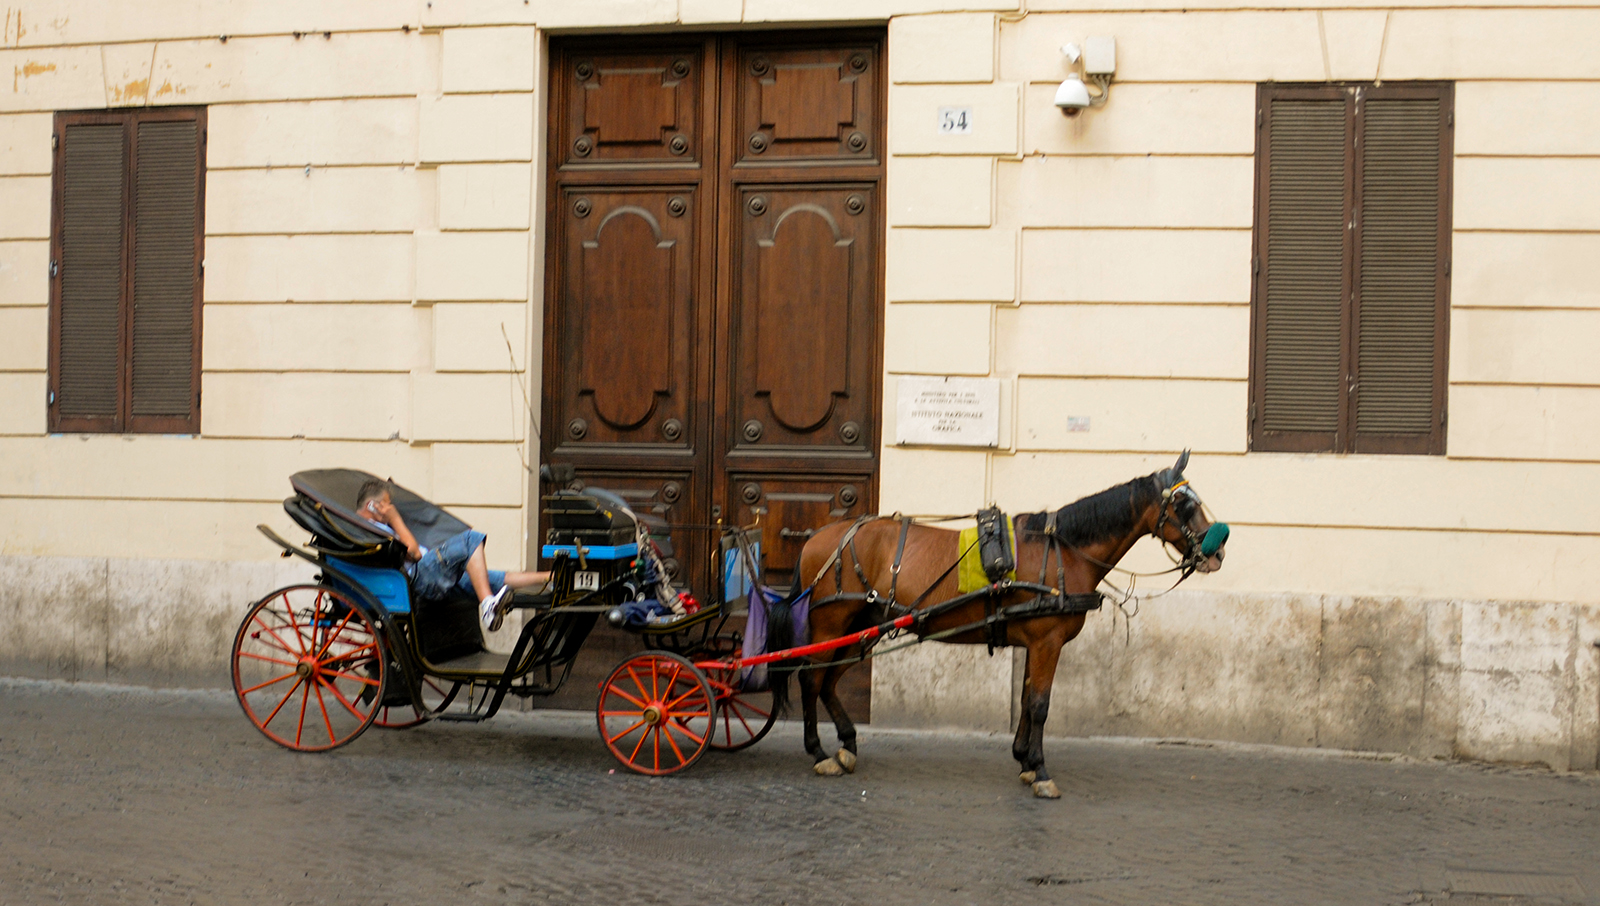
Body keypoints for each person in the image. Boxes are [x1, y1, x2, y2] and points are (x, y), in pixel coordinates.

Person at [355, 479, 549, 631]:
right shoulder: (371, 529)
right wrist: (395, 519)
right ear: (373, 505)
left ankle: (548, 578)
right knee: (470, 540)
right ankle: (488, 605)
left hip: (419, 575)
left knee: (487, 578)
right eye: (387, 504)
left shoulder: (371, 528)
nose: (390, 509)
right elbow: (413, 553)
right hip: (417, 577)